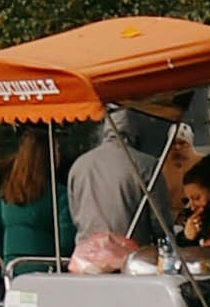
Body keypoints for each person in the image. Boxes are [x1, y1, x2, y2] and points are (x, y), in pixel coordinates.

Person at [62, 101, 168, 258]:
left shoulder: (79, 166)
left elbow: (75, 215)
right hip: (131, 259)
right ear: (136, 128)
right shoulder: (147, 166)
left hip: (86, 259)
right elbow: (160, 224)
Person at [0, 132, 61, 270]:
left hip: (12, 270)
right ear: (47, 156)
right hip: (46, 271)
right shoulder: (58, 194)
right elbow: (66, 242)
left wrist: (9, 252)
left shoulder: (6, 193)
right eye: (57, 149)